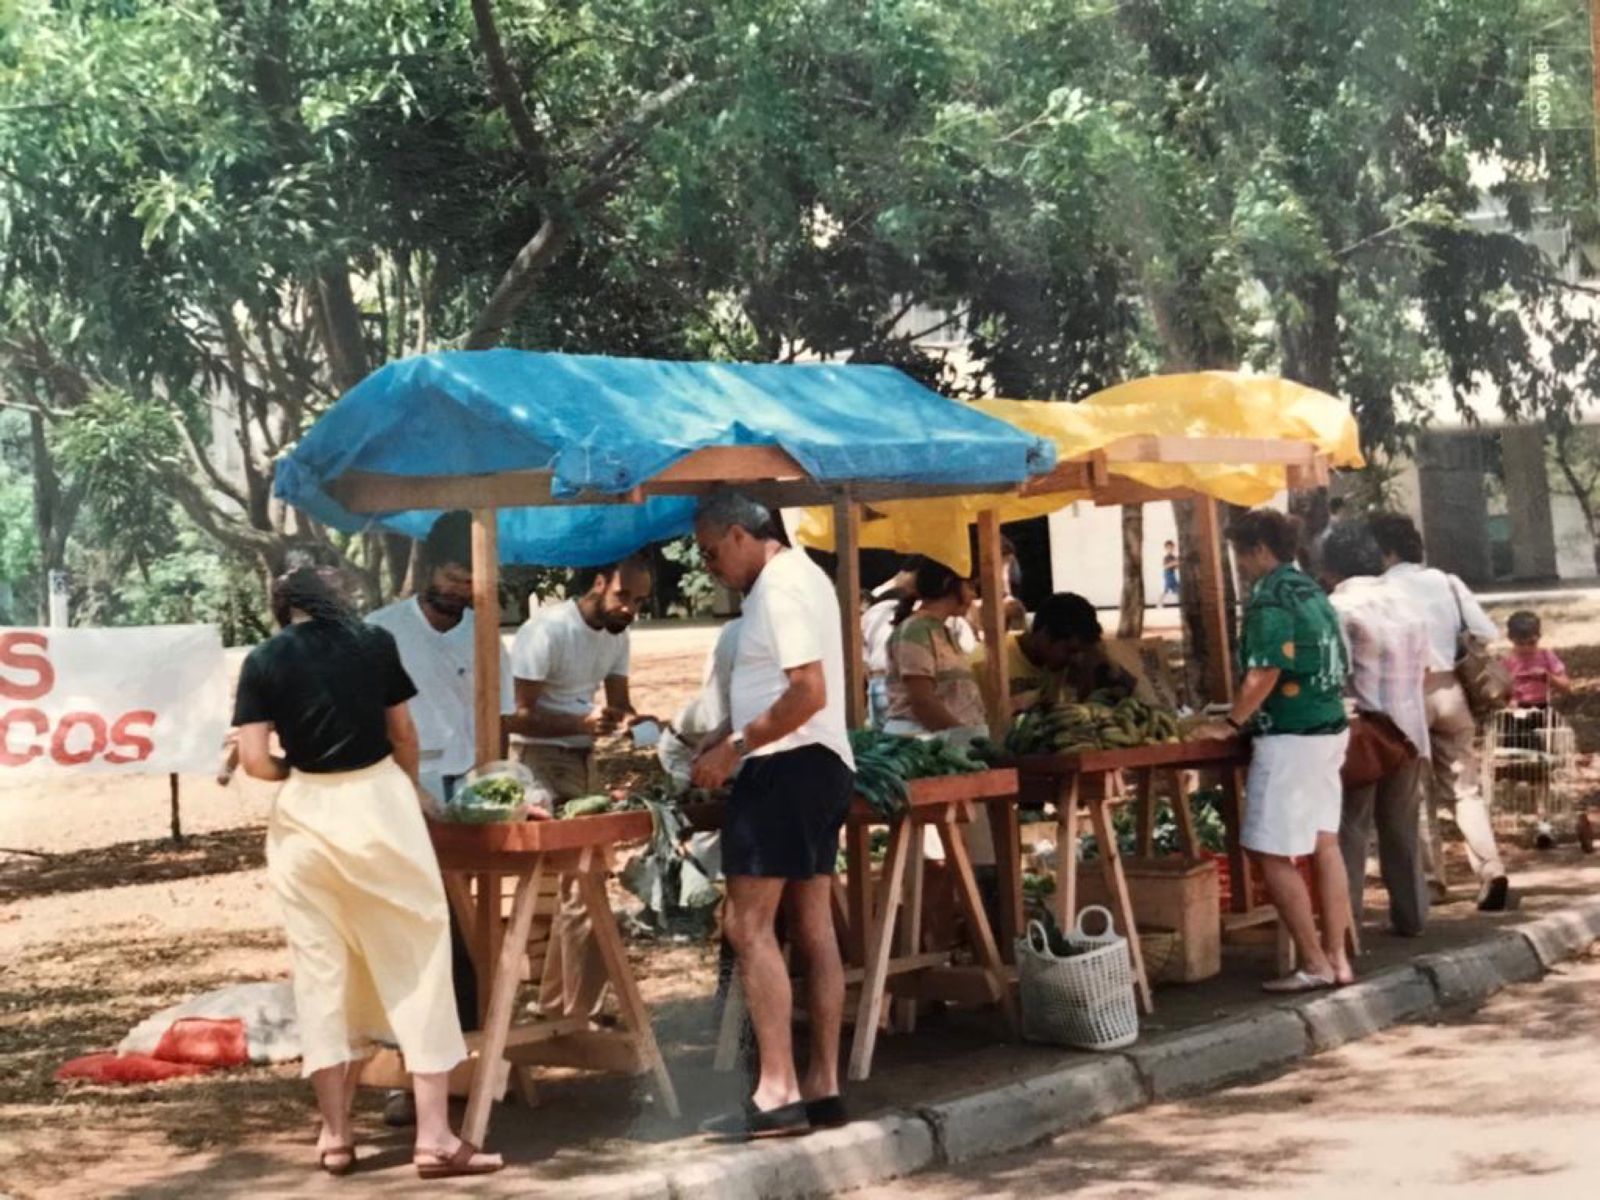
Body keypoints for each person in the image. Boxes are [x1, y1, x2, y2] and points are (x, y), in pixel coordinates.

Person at [233, 567, 501, 1179]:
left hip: (305, 820)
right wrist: (407, 790)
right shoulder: (374, 643)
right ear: (336, 600)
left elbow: (253, 760)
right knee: (419, 956)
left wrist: (294, 769)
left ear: (284, 606)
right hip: (380, 807)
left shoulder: (263, 659)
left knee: (321, 971)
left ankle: (335, 1136)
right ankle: (434, 1136)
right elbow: (402, 734)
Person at [690, 489, 855, 1141]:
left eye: (709, 554)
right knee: (812, 927)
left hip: (785, 767)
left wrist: (735, 748)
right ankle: (822, 1085)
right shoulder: (799, 579)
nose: (708, 569)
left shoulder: (780, 588)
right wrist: (728, 734)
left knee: (749, 926)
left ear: (738, 534)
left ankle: (778, 1089)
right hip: (818, 767)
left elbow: (807, 691)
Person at [366, 511, 515, 1126]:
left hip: (471, 788)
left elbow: (499, 721)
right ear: (428, 571)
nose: (459, 590)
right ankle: (407, 1072)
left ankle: (478, 1052)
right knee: (415, 931)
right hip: (407, 791)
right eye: (452, 576)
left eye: (470, 582)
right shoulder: (381, 631)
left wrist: (497, 783)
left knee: (474, 928)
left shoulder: (486, 635)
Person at [1197, 508, 1353, 993]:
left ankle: (1312, 962)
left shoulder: (1269, 599)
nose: (1240, 565)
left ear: (1259, 549)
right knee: (1325, 846)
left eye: (1240, 555)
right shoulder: (1313, 591)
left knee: (1270, 849)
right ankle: (1339, 957)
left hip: (1289, 737)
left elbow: (1264, 672)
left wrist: (1231, 721)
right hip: (1329, 728)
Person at [509, 553, 655, 1019]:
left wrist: (637, 723)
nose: (630, 609)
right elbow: (515, 714)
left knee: (588, 882)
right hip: (537, 759)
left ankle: (567, 1005)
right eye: (623, 596)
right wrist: (579, 721)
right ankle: (559, 1004)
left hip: (584, 759)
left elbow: (620, 705)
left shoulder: (619, 635)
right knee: (567, 881)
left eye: (639, 601)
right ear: (598, 583)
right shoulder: (548, 629)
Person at [1368, 513, 1511, 912]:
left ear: (1386, 550)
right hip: (1451, 691)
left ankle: (1431, 881)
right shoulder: (1446, 581)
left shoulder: (1380, 590)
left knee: (1415, 793)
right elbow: (1485, 632)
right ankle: (1491, 867)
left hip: (1405, 695)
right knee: (1465, 789)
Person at [1320, 522, 1431, 938]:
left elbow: (1334, 673)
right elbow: (1425, 666)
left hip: (1362, 733)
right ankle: (1413, 917)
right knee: (1401, 828)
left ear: (1331, 569)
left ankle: (1346, 926)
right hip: (1409, 729)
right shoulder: (1407, 601)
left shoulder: (1338, 608)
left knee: (1350, 829)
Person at [971, 592, 1133, 722]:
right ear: (1044, 635)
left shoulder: (1062, 667)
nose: (1075, 659)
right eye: (1070, 650)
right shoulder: (987, 661)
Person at [883, 559, 987, 740]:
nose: (973, 595)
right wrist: (965, 738)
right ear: (947, 584)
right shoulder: (916, 630)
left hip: (948, 742)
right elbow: (923, 702)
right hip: (924, 745)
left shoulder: (943, 631)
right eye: (969, 586)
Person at [862, 558, 922, 729]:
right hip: (902, 685)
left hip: (875, 683)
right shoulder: (920, 618)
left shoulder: (872, 613)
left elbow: (863, 662)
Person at [1160, 540, 1180, 607]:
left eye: (1171, 548)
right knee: (1165, 590)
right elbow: (1165, 566)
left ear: (1173, 548)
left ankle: (1181, 603)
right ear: (1166, 549)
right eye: (1168, 548)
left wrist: (1177, 564)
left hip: (1172, 574)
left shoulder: (1173, 557)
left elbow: (1176, 567)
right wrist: (1173, 563)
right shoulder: (1166, 557)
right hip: (1168, 575)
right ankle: (1159, 603)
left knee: (1178, 589)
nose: (1170, 549)